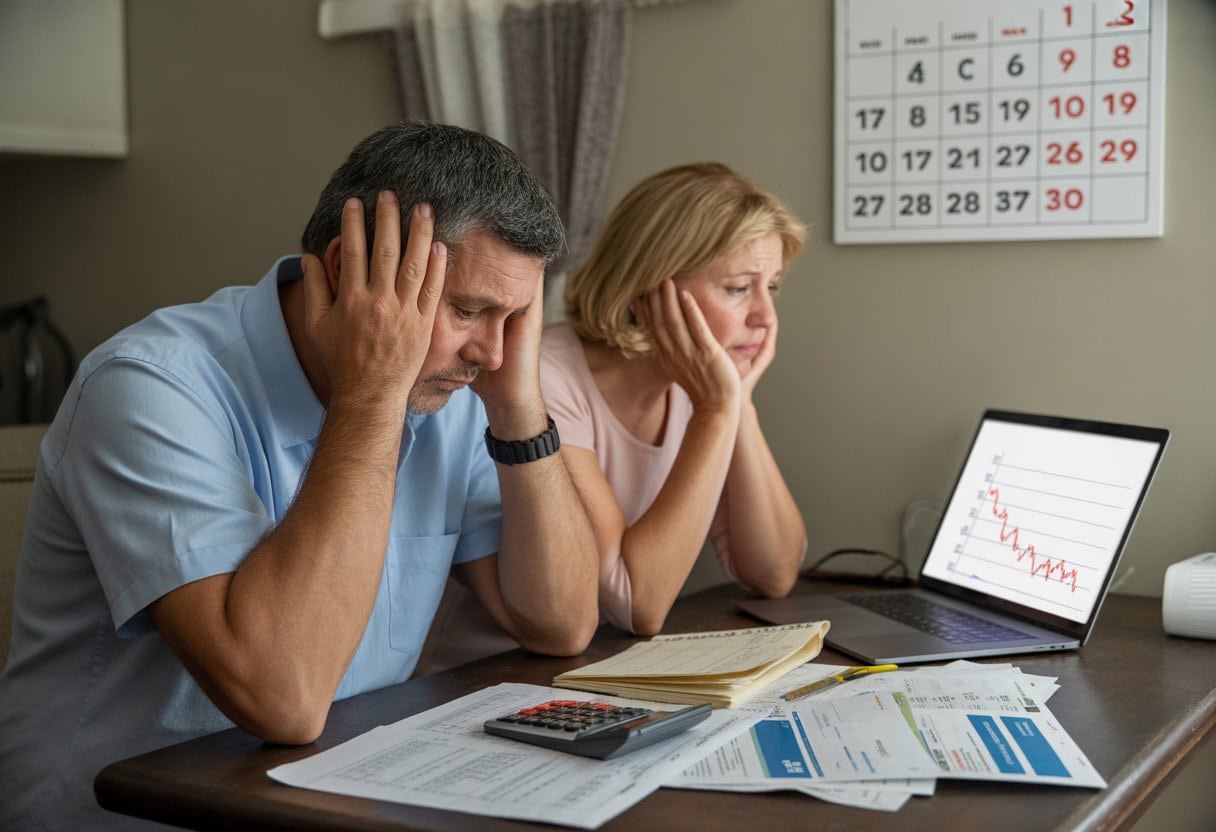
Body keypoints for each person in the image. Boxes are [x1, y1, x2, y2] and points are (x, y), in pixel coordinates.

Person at [0, 121, 599, 830]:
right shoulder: (147, 386)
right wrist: (370, 393)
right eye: (469, 310)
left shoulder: (451, 394)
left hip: (324, 799)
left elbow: (560, 623)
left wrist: (520, 411)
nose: (493, 354)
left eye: (516, 318)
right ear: (351, 271)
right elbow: (282, 697)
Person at [416, 162, 806, 672]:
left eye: (771, 287)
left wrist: (738, 402)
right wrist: (716, 412)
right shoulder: (537, 374)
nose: (765, 317)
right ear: (651, 287)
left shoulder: (699, 387)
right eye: (738, 288)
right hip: (490, 679)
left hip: (596, 670)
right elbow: (633, 603)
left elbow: (774, 572)